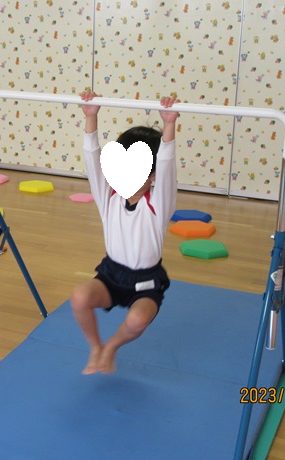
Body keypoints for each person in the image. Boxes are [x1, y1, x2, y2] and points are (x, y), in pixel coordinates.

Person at [70, 90, 179, 374]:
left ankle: (112, 347)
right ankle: (96, 347)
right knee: (79, 297)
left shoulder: (157, 204)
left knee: (137, 320)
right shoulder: (108, 197)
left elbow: (167, 166)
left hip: (146, 283)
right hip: (111, 275)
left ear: (152, 175)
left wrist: (169, 125)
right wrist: (91, 118)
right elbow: (91, 159)